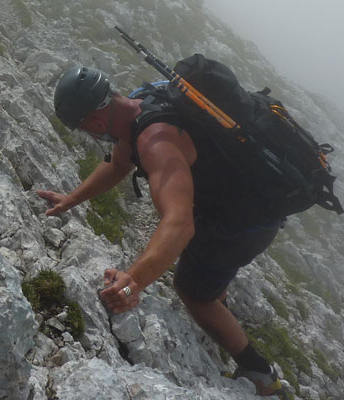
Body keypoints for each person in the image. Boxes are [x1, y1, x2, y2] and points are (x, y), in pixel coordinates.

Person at [39, 66, 290, 398]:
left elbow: (179, 224)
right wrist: (72, 199)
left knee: (192, 290)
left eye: (85, 129)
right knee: (207, 272)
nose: (91, 135)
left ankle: (260, 374)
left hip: (242, 221)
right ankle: (218, 300)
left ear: (96, 122)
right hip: (233, 202)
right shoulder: (140, 102)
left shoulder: (155, 142)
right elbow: (118, 164)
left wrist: (133, 281)